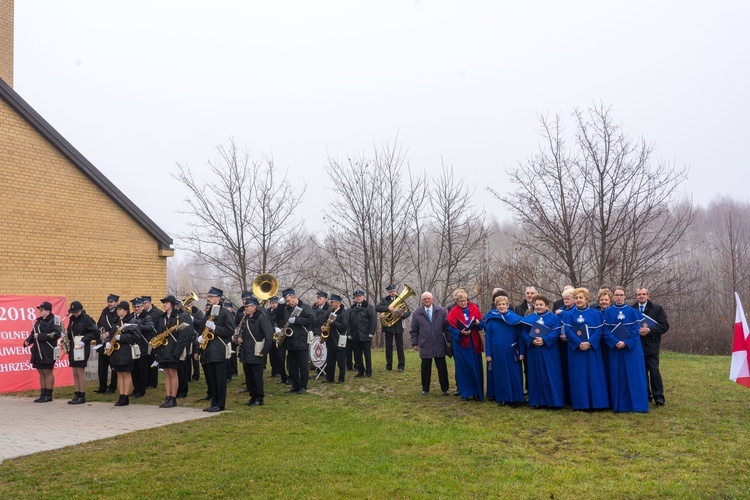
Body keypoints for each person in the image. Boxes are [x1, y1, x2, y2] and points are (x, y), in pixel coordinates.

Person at [602, 286, 649, 412]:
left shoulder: (632, 312)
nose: (618, 297)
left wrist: (626, 343)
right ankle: (619, 405)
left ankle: (637, 405)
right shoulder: (607, 312)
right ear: (613, 296)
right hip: (615, 349)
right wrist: (615, 342)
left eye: (621, 295)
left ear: (625, 296)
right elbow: (605, 331)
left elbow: (636, 331)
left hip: (631, 349)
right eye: (616, 295)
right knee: (617, 375)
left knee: (634, 375)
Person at [562, 288, 609, 411]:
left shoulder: (595, 313)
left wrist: (589, 343)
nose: (578, 300)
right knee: (578, 376)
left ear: (586, 299)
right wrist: (579, 343)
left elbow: (599, 330)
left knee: (594, 375)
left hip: (592, 349)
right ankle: (581, 404)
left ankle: (597, 403)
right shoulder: (569, 314)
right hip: (576, 350)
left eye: (581, 298)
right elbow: (568, 331)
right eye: (576, 298)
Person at [521, 294, 564, 409]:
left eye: (541, 304)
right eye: (536, 304)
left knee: (550, 374)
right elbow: (524, 333)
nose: (539, 307)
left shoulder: (554, 318)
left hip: (549, 351)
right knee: (535, 375)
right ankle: (536, 401)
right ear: (533, 305)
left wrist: (544, 340)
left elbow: (556, 332)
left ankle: (553, 401)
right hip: (534, 351)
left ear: (546, 305)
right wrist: (532, 341)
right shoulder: (528, 319)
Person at [196, 286, 235, 412]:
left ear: (218, 298)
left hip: (218, 350)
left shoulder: (225, 312)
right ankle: (214, 403)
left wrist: (215, 328)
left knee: (220, 379)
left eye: (212, 297)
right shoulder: (209, 312)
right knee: (212, 379)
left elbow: (230, 330)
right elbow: (202, 327)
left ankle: (220, 404)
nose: (210, 299)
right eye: (209, 297)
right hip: (208, 350)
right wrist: (200, 338)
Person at [483, 295, 525, 407]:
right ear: (496, 306)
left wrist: (521, 352)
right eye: (499, 304)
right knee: (500, 374)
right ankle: (503, 397)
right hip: (497, 352)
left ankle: (515, 398)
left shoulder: (515, 319)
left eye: (503, 304)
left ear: (507, 305)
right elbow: (488, 338)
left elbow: (520, 337)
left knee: (514, 374)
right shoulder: (491, 319)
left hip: (512, 351)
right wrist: (488, 354)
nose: (501, 306)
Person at [154, 295, 195, 408]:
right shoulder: (162, 317)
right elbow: (158, 333)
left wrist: (177, 351)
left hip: (173, 349)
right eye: (164, 303)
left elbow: (185, 335)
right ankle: (168, 397)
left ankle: (173, 397)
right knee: (166, 374)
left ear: (172, 304)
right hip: (163, 349)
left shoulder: (179, 316)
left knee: (173, 373)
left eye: (166, 303)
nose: (164, 305)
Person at [409, 292, 451, 396]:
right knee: (425, 368)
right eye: (424, 299)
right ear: (422, 300)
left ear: (432, 299)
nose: (427, 300)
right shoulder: (417, 313)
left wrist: (449, 341)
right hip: (425, 344)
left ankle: (445, 389)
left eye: (428, 298)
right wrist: (414, 343)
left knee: (442, 368)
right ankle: (425, 389)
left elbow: (446, 328)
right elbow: (414, 330)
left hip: (439, 343)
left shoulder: (441, 311)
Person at [634, 287, 670, 406]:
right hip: (637, 346)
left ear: (648, 295)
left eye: (644, 294)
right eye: (639, 294)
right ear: (636, 296)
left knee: (654, 372)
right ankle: (645, 395)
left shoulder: (657, 309)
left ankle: (659, 397)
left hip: (651, 346)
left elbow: (664, 326)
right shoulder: (632, 309)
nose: (641, 296)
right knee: (641, 373)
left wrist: (649, 330)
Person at [446, 289, 484, 401]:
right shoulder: (453, 312)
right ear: (456, 302)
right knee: (464, 367)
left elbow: (481, 323)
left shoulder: (474, 308)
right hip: (461, 344)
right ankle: (466, 392)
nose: (463, 303)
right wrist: (460, 332)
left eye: (464, 300)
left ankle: (477, 392)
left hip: (473, 341)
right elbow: (450, 327)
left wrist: (478, 323)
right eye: (460, 301)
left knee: (475, 366)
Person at [274, 288, 314, 394]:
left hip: (301, 340)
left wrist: (297, 320)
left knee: (303, 366)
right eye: (286, 302)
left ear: (294, 297)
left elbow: (311, 319)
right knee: (292, 366)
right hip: (290, 342)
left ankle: (303, 386)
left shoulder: (305, 307)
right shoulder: (287, 309)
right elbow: (280, 319)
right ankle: (295, 385)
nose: (287, 303)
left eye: (288, 301)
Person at [236, 297, 273, 406]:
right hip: (246, 351)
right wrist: (240, 339)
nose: (245, 308)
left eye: (247, 306)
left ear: (254, 307)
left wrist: (264, 351)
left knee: (257, 377)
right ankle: (252, 396)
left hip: (257, 352)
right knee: (249, 377)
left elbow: (269, 336)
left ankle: (259, 398)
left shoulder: (261, 318)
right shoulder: (246, 318)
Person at [23, 301, 62, 402]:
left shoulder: (54, 320)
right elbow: (33, 333)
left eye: (42, 310)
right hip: (38, 350)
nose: (39, 312)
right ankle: (43, 393)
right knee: (41, 371)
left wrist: (41, 336)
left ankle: (49, 394)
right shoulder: (39, 321)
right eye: (39, 310)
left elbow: (56, 334)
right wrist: (28, 340)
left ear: (48, 311)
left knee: (47, 371)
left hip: (48, 350)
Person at [65, 301, 100, 404]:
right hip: (73, 346)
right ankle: (76, 393)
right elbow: (70, 332)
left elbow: (95, 332)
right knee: (74, 371)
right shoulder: (72, 319)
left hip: (82, 347)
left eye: (76, 311)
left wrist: (84, 340)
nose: (74, 313)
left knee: (80, 371)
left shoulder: (87, 319)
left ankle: (82, 395)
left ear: (80, 310)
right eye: (73, 312)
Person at [107, 301, 140, 407]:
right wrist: (108, 341)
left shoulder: (131, 321)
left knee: (126, 374)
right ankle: (121, 395)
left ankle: (126, 396)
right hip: (116, 352)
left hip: (126, 351)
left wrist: (122, 338)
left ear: (125, 310)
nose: (118, 311)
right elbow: (112, 333)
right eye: (118, 309)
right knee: (119, 374)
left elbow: (136, 336)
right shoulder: (117, 321)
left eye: (120, 309)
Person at [376, 284, 411, 372]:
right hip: (388, 327)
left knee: (400, 347)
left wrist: (402, 315)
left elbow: (408, 312)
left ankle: (401, 366)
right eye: (391, 292)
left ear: (396, 291)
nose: (393, 293)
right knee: (388, 347)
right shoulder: (385, 300)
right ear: (389, 292)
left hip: (398, 326)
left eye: (394, 291)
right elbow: (377, 308)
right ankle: (389, 366)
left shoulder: (401, 300)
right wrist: (387, 308)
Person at [348, 290, 377, 378]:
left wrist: (371, 332)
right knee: (357, 355)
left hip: (366, 335)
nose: (358, 298)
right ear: (355, 298)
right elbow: (348, 322)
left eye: (360, 296)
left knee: (367, 355)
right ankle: (360, 371)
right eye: (356, 296)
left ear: (363, 297)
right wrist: (349, 333)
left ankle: (368, 371)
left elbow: (373, 321)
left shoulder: (369, 307)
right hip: (355, 335)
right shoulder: (352, 309)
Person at [129, 297, 154, 398]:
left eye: (138, 306)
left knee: (142, 369)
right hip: (133, 345)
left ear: (142, 306)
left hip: (142, 345)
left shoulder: (146, 316)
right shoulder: (131, 316)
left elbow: (150, 327)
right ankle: (136, 388)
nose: (136, 308)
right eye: (134, 307)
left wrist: (137, 326)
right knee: (134, 369)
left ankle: (141, 390)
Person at [554, 288, 575, 406]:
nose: (566, 301)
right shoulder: (559, 310)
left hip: (572, 343)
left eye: (569, 298)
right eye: (564, 299)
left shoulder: (573, 310)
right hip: (561, 343)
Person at [95, 294, 119, 394]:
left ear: (116, 303)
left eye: (112, 302)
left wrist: (109, 333)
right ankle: (102, 386)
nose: (109, 304)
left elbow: (117, 327)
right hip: (103, 343)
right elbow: (99, 324)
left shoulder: (118, 313)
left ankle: (112, 387)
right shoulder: (104, 312)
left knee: (113, 366)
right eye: (108, 302)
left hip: (112, 343)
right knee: (102, 367)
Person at [323, 294, 348, 383]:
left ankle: (341, 378)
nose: (331, 304)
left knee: (341, 362)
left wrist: (333, 323)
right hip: (330, 340)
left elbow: (344, 327)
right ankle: (330, 378)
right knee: (330, 362)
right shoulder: (331, 311)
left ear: (337, 303)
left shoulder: (343, 313)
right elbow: (325, 321)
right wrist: (324, 326)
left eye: (332, 302)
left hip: (339, 340)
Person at [141, 295, 163, 389]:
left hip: (154, 339)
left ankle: (153, 382)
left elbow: (160, 326)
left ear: (149, 303)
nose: (143, 305)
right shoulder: (144, 313)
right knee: (146, 362)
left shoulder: (157, 312)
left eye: (145, 303)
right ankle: (147, 381)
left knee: (153, 361)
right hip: (145, 341)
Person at [266, 296, 286, 382]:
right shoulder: (267, 311)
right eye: (272, 303)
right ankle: (274, 371)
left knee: (279, 354)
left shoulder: (279, 311)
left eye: (275, 303)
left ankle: (279, 371)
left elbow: (279, 320)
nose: (274, 305)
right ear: (270, 303)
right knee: (272, 354)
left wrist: (277, 328)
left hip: (278, 334)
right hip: (271, 334)